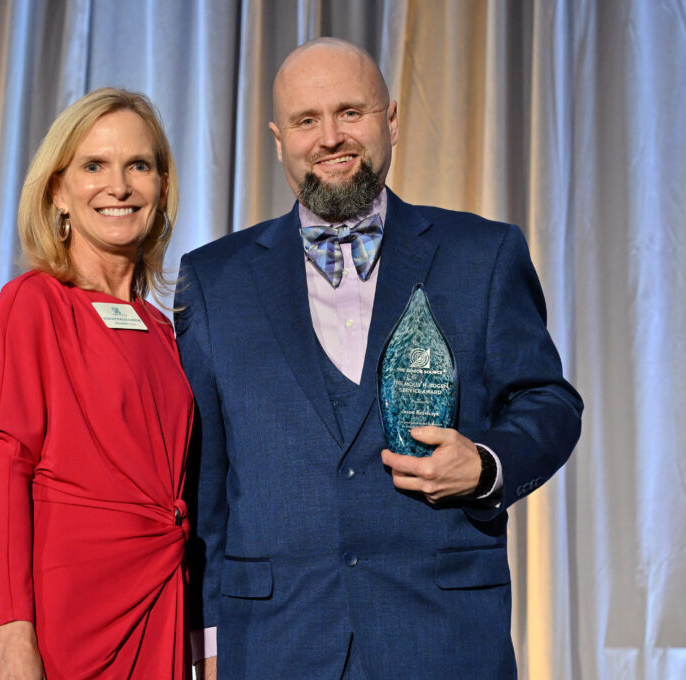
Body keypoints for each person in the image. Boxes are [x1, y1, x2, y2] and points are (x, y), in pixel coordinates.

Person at [175, 38, 583, 679]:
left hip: (443, 639)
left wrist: (484, 466)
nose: (330, 136)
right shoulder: (213, 279)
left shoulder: (483, 253)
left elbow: (549, 402)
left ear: (390, 120)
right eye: (308, 120)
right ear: (279, 139)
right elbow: (206, 478)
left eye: (351, 112)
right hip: (275, 643)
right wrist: (209, 631)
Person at [0, 88, 193, 679]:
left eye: (137, 166)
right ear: (58, 191)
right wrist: (13, 634)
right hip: (70, 618)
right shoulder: (32, 304)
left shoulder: (167, 331)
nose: (118, 186)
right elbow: (6, 471)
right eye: (94, 166)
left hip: (162, 602)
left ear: (161, 188)